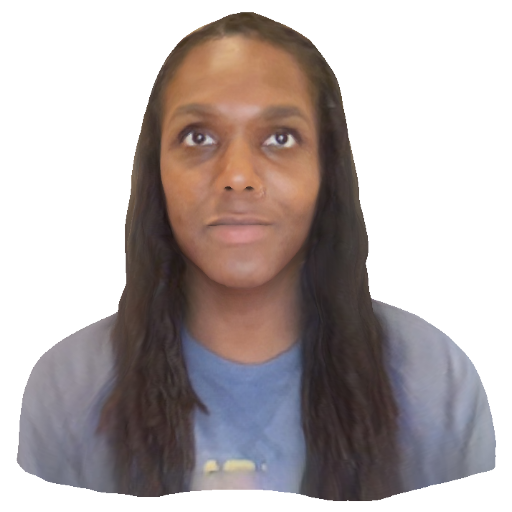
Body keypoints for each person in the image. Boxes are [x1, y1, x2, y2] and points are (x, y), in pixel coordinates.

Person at [16, 12, 495, 500]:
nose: (238, 177)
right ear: (155, 169)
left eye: (280, 138)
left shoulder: (435, 384)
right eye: (199, 137)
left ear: (326, 167)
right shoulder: (67, 390)